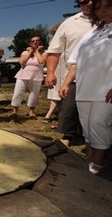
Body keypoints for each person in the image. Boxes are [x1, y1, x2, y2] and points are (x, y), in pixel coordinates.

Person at [59, 0, 112, 174]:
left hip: (105, 88)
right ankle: (89, 156)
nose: (102, 11)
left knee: (99, 123)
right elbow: (75, 62)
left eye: (107, 6)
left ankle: (98, 161)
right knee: (87, 125)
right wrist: (66, 83)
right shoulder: (92, 32)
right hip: (84, 87)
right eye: (98, 8)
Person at [44, 0, 93, 145]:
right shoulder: (69, 23)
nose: (88, 3)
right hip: (74, 76)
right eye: (83, 1)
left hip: (103, 77)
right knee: (70, 108)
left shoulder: (106, 21)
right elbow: (54, 51)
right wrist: (51, 73)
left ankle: (94, 139)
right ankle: (68, 136)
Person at [9, 35, 47, 119]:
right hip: (23, 75)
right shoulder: (24, 53)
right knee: (18, 92)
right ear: (30, 43)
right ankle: (14, 111)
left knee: (34, 94)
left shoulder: (44, 53)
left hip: (36, 76)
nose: (35, 42)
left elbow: (41, 61)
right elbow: (22, 62)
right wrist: (30, 52)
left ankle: (31, 112)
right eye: (33, 41)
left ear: (41, 42)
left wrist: (36, 51)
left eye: (37, 40)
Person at [43, 22, 64, 129]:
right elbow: (43, 58)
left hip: (66, 69)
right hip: (57, 70)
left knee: (63, 95)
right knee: (56, 94)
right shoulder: (53, 42)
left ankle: (52, 116)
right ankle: (55, 116)